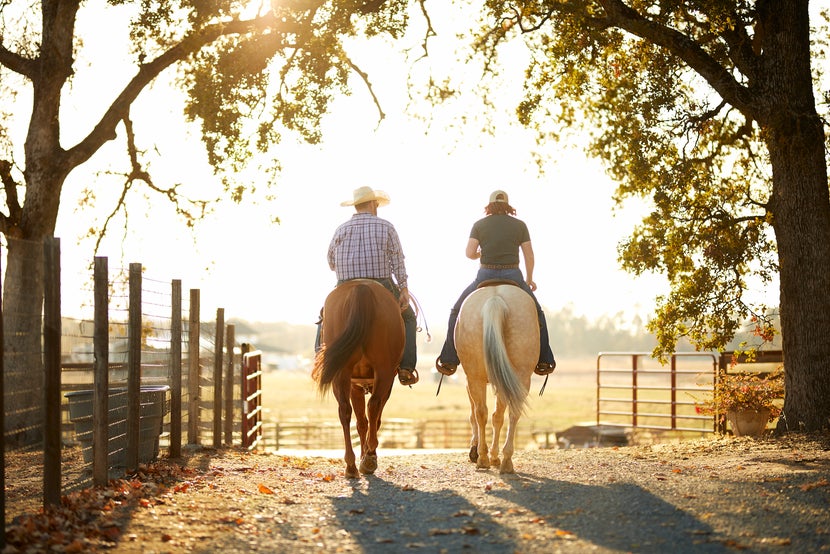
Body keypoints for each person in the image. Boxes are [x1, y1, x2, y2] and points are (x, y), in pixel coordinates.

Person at [435, 190, 556, 376]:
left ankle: (449, 358)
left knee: (456, 311)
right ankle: (544, 359)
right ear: (507, 205)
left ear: (489, 205)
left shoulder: (479, 225)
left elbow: (469, 253)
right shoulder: (520, 225)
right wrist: (529, 279)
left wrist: (478, 255)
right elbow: (529, 255)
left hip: (485, 274)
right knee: (538, 313)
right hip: (513, 274)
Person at [324, 185, 419, 386]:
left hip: (345, 283)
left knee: (324, 317)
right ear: (373, 204)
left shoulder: (341, 229)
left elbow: (331, 261)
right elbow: (397, 260)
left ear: (356, 206)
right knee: (409, 317)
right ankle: (406, 367)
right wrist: (403, 288)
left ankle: (324, 360)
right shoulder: (386, 227)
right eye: (376, 202)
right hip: (381, 283)